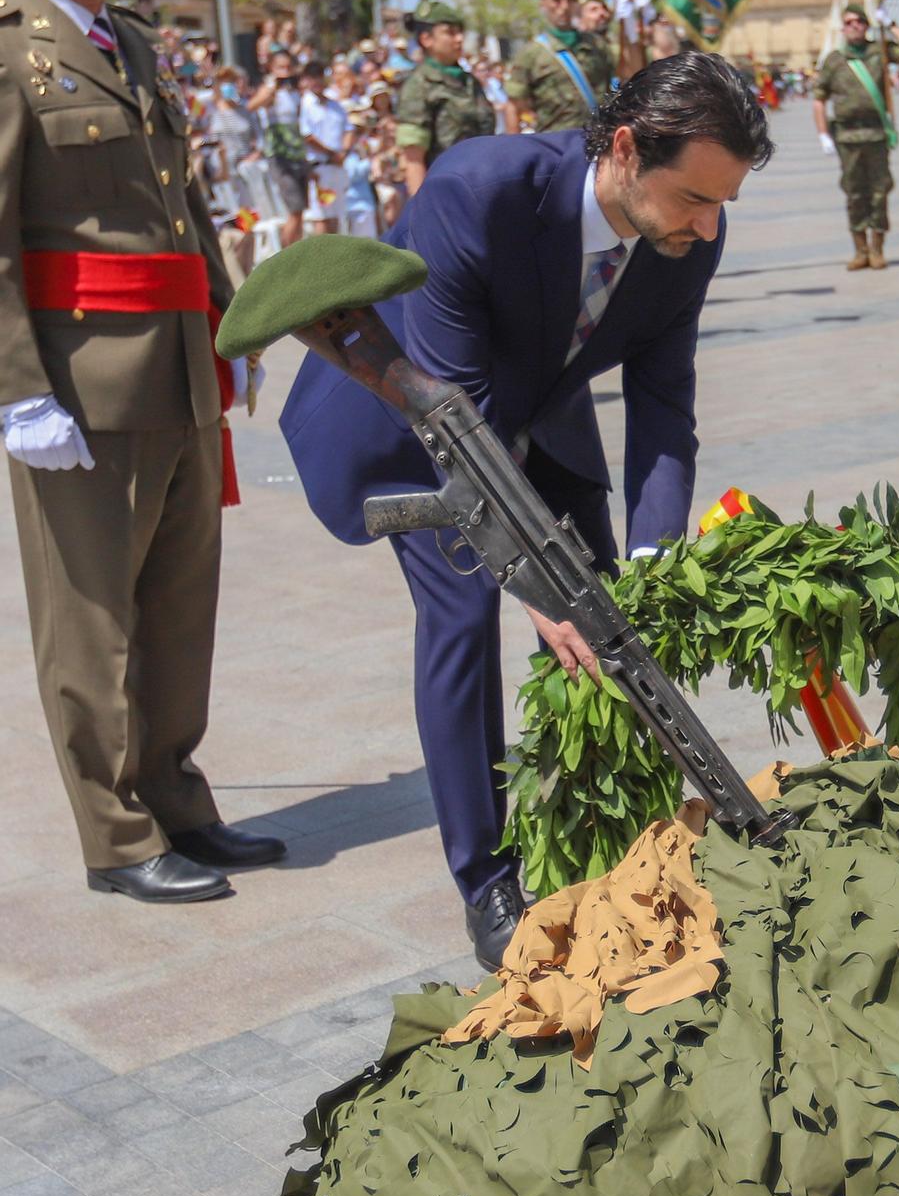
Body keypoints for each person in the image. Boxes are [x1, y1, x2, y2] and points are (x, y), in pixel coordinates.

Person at [280, 54, 773, 967]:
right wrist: (538, 589)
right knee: (467, 611)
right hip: (404, 416)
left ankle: (614, 825)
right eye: (696, 199)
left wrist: (654, 561)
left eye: (724, 204)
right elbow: (454, 421)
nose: (708, 228)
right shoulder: (484, 188)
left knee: (616, 616)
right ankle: (486, 878)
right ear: (625, 149)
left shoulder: (689, 234)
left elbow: (664, 405)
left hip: (534, 417)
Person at [0, 0, 283, 901]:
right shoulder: (15, 52)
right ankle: (116, 837)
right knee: (92, 619)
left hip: (173, 369)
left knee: (176, 606)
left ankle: (175, 797)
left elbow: (189, 207)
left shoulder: (138, 46)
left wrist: (230, 322)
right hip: (79, 385)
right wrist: (20, 390)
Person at [813, 5, 894, 270]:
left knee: (880, 191)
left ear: (867, 25)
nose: (855, 25)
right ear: (843, 28)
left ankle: (877, 247)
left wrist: (892, 27)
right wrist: (823, 134)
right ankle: (860, 250)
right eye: (849, 22)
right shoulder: (834, 60)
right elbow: (819, 99)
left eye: (860, 21)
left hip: (876, 133)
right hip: (847, 136)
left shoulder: (879, 53)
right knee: (854, 192)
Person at [394, 0, 495, 196]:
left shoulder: (469, 82)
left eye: (460, 32)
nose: (459, 39)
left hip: (481, 189)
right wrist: (424, 213)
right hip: (445, 194)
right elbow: (413, 159)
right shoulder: (419, 86)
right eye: (450, 33)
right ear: (426, 39)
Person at [504, 0, 613, 133]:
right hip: (554, 143)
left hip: (596, 137)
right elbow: (514, 105)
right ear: (543, 3)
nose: (564, 7)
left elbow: (627, 73)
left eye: (570, 0)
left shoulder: (596, 45)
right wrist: (512, 151)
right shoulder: (532, 53)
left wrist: (630, 30)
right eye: (556, 0)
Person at [248, 47, 307, 246]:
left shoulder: (294, 92)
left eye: (288, 67)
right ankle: (286, 257)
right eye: (280, 67)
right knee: (295, 209)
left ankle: (296, 253)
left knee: (300, 212)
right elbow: (252, 106)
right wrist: (271, 88)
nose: (285, 71)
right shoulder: (268, 89)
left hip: (298, 154)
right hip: (280, 156)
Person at [298, 57, 349, 234]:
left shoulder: (335, 105)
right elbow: (307, 136)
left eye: (319, 76)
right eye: (312, 77)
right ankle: (321, 259)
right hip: (318, 167)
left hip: (337, 165)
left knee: (335, 215)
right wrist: (331, 154)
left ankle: (333, 259)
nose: (317, 81)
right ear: (306, 80)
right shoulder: (304, 104)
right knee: (321, 216)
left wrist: (343, 152)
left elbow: (348, 129)